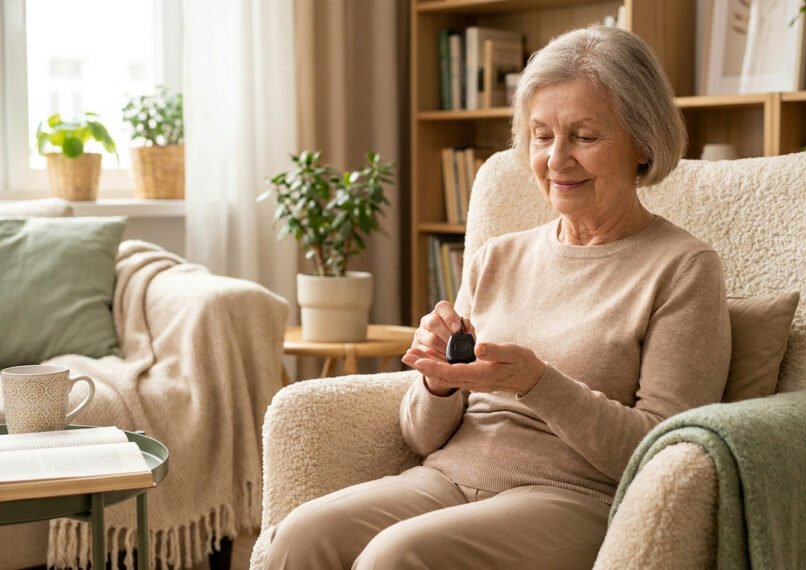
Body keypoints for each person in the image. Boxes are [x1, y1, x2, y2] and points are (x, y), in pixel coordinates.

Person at [264, 25, 731, 570]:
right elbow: (420, 437)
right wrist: (437, 382)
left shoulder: (683, 268)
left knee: (396, 558)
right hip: (446, 479)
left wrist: (538, 383)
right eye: (541, 136)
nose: (556, 159)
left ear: (643, 143)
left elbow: (666, 452)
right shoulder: (498, 257)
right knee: (301, 535)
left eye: (584, 137)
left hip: (574, 497)